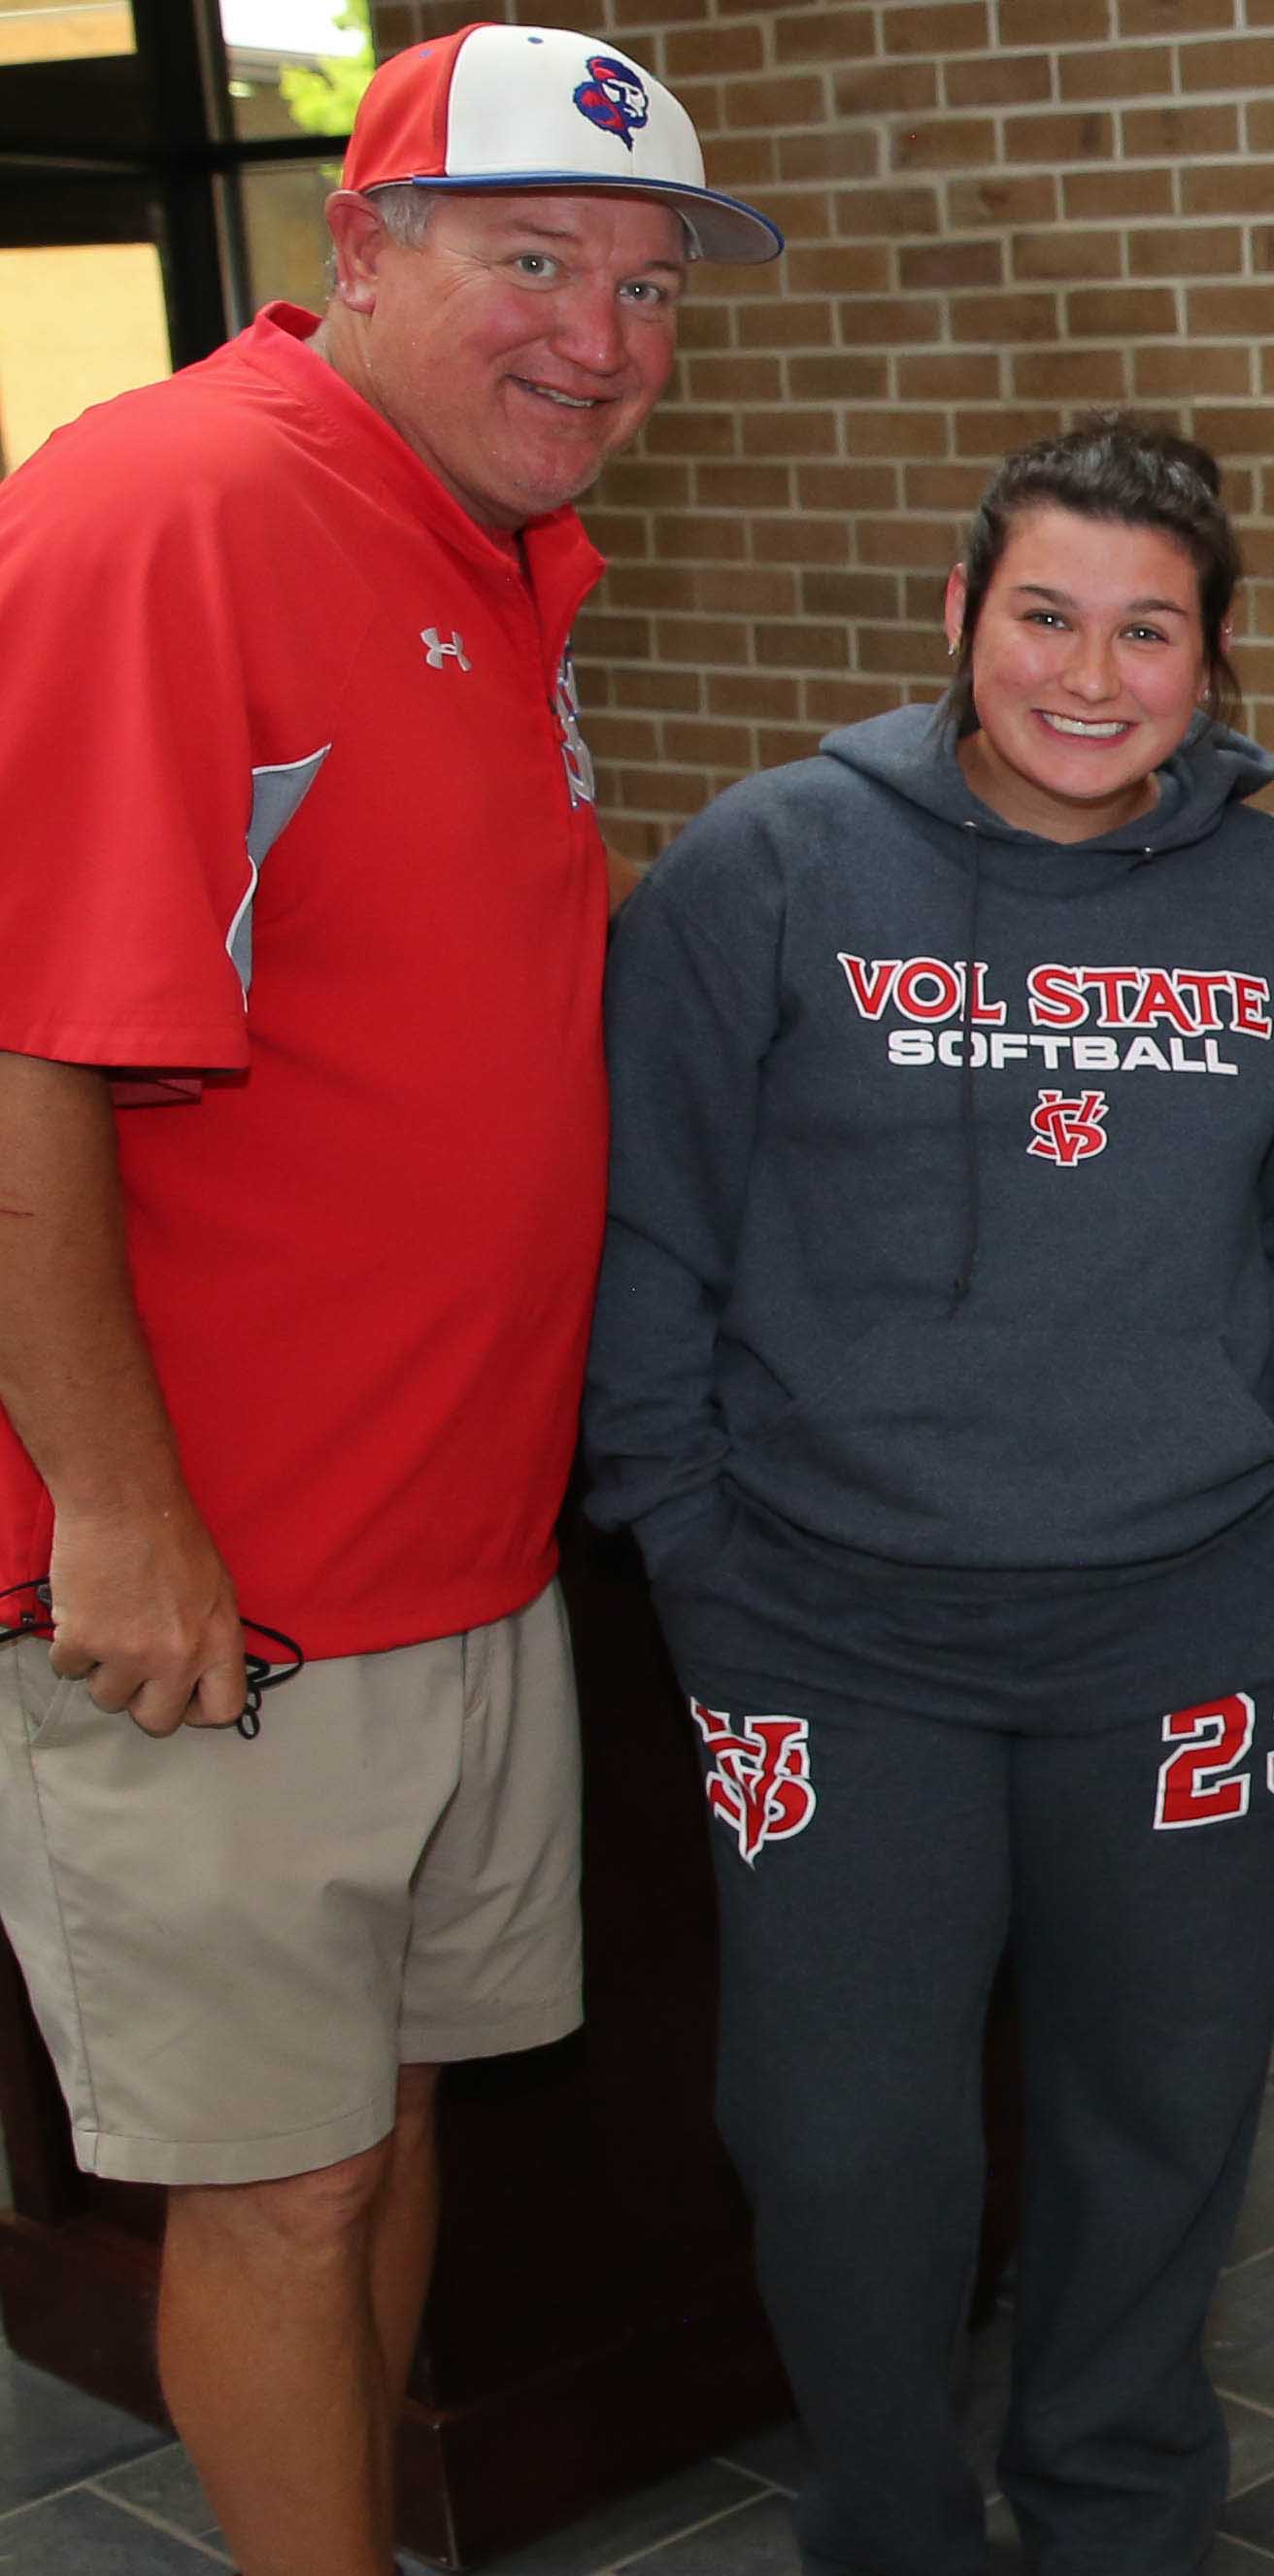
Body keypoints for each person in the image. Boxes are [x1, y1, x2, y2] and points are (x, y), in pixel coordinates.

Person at [0, 29, 772, 2574]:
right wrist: (115, 1517)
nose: (602, 336)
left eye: (647, 286)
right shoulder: (176, 510)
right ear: (364, 249)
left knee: (397, 2124)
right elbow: (25, 1045)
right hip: (216, 1588)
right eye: (534, 259)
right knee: (291, 2182)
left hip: (456, 1561)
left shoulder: (492, 553)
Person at [579, 414, 1274, 2572]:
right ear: (959, 619)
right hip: (835, 1635)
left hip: (1196, 1625)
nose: (1090, 673)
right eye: (1045, 613)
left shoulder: (1270, 900)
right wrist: (692, 1541)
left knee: (1163, 2121)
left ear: (1213, 663)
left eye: (1150, 630)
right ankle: (889, 2521)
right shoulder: (765, 871)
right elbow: (644, 1234)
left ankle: (1123, 2512)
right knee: (846, 2142)